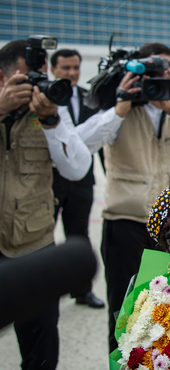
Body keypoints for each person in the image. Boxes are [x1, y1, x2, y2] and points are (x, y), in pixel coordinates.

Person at [76, 42, 170, 352]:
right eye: (154, 68)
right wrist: (120, 107)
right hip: (124, 222)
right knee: (122, 306)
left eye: (167, 66)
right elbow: (82, 143)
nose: (162, 72)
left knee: (164, 302)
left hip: (165, 226)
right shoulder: (120, 109)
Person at [0, 39, 92, 370]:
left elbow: (78, 168)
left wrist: (52, 123)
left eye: (40, 77)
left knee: (40, 347)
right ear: (2, 78)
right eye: (28, 79)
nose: (37, 88)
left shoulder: (51, 111)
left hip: (33, 241)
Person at [49, 48, 104, 309]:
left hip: (82, 181)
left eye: (75, 68)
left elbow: (100, 138)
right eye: (65, 68)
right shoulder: (44, 97)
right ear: (53, 70)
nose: (71, 73)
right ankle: (44, 293)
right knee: (44, 239)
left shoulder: (88, 97)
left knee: (79, 235)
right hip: (49, 182)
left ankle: (82, 291)